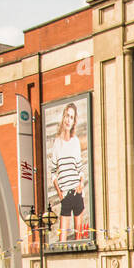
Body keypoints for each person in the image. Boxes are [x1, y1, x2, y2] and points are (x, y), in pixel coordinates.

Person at [50, 101, 86, 242]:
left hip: (77, 192)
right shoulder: (57, 143)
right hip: (65, 195)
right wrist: (59, 192)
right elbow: (53, 171)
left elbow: (80, 168)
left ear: (73, 121)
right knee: (62, 238)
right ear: (63, 117)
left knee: (79, 237)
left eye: (71, 117)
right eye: (67, 115)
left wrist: (81, 184)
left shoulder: (75, 141)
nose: (68, 119)